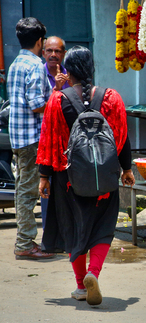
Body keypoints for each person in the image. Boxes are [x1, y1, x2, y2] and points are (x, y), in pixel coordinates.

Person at [36, 46, 135, 305]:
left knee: (74, 228)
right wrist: (126, 169)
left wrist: (44, 176)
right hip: (104, 178)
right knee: (103, 228)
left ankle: (81, 285)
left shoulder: (58, 100)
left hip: (69, 180)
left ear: (68, 71)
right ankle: (94, 272)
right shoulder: (111, 98)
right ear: (91, 68)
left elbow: (49, 141)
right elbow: (121, 139)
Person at [7, 17, 53, 260]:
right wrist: (56, 101)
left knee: (21, 189)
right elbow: (36, 104)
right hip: (31, 139)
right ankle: (25, 243)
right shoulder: (35, 64)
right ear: (39, 41)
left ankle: (23, 240)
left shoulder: (16, 63)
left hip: (18, 136)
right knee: (27, 192)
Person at [40, 36, 70, 230]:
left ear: (64, 54)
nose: (53, 55)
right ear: (43, 53)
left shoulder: (71, 75)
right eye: (49, 51)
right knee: (46, 187)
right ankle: (50, 235)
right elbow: (42, 107)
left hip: (69, 143)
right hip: (46, 142)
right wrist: (56, 90)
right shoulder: (38, 74)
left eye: (57, 51)